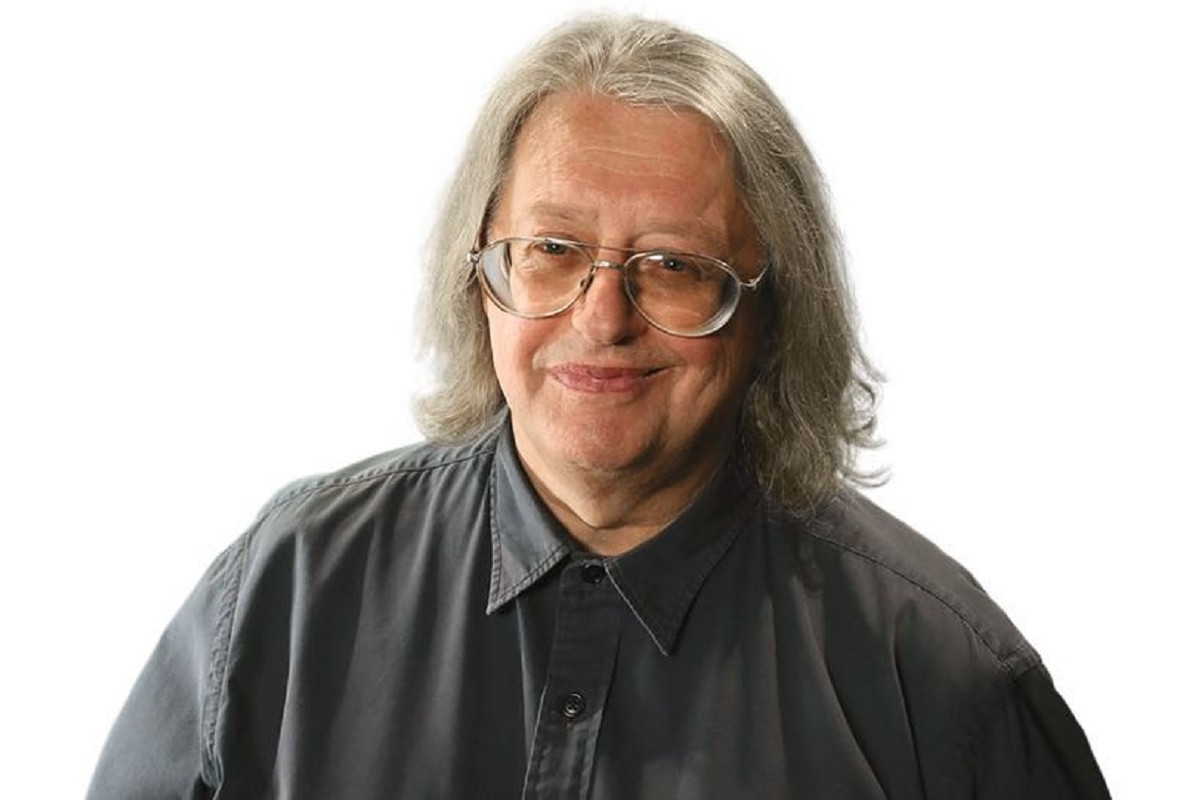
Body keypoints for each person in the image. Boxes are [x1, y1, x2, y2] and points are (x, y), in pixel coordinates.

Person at [88, 15, 1110, 799]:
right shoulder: (288, 586)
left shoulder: (941, 678)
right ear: (479, 276)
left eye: (675, 266)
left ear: (771, 311)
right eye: (552, 249)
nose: (602, 317)